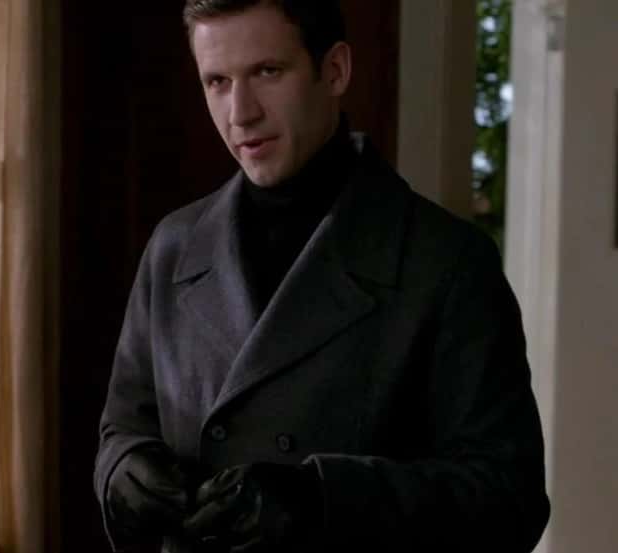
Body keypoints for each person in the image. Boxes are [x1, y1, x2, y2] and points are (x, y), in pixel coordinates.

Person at [93, 1, 550, 552]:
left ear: (334, 70)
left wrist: (319, 501)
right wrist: (124, 472)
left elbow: (509, 499)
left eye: (267, 72)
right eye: (217, 82)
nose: (240, 113)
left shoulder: (447, 261)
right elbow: (123, 428)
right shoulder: (173, 245)